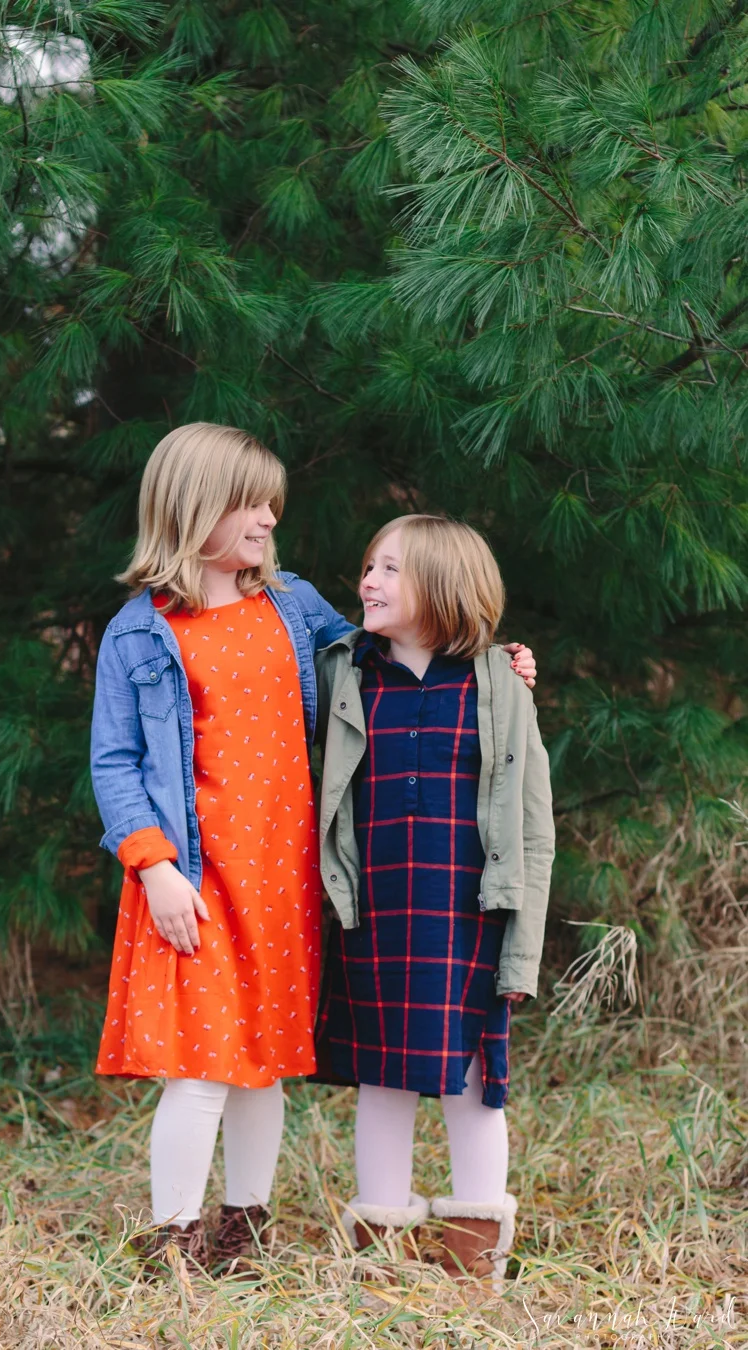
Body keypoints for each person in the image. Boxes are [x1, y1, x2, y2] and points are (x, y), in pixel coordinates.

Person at [90, 424, 538, 1273]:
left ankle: (244, 1231)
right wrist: (154, 868)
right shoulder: (140, 633)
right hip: (194, 876)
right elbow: (114, 762)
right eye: (251, 505)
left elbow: (388, 650)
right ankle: (173, 1245)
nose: (269, 519)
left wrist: (494, 664)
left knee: (260, 1063)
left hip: (283, 874)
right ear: (196, 509)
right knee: (200, 1067)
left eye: (271, 505)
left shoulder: (289, 605)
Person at [314, 515, 554, 1285]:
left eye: (390, 569)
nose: (368, 581)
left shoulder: (499, 685)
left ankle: (475, 1254)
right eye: (368, 566)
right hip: (377, 910)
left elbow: (534, 829)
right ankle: (379, 1251)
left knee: (476, 1080)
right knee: (383, 1075)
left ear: (445, 587)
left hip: (469, 914)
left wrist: (522, 950)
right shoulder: (344, 675)